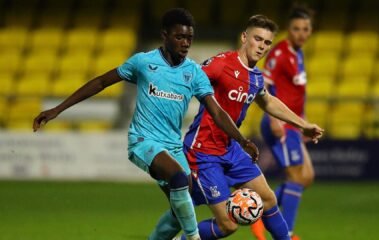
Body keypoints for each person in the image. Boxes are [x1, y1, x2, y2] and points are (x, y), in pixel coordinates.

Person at [32, 8, 259, 240]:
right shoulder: (143, 62)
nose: (185, 43)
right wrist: (57, 109)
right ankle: (194, 238)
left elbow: (217, 112)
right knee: (179, 179)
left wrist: (241, 140)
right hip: (143, 141)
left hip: (173, 146)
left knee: (181, 206)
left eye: (189, 38)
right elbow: (101, 82)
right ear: (165, 35)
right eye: (179, 37)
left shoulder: (193, 72)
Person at [168, 14, 323, 240]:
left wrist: (302, 125)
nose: (262, 46)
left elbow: (268, 101)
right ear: (244, 37)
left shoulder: (256, 77)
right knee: (228, 226)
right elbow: (188, 80)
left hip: (231, 149)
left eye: (267, 42)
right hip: (204, 153)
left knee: (268, 199)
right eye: (257, 39)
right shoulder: (221, 63)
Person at [252, 6, 315, 240]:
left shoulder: (298, 54)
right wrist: (273, 118)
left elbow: (296, 92)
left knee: (306, 176)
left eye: (305, 29)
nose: (301, 33)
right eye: (297, 29)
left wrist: (303, 121)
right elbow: (265, 85)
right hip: (281, 124)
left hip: (293, 124)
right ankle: (285, 233)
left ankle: (259, 212)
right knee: (295, 177)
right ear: (290, 29)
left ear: (310, 31)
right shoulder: (279, 53)